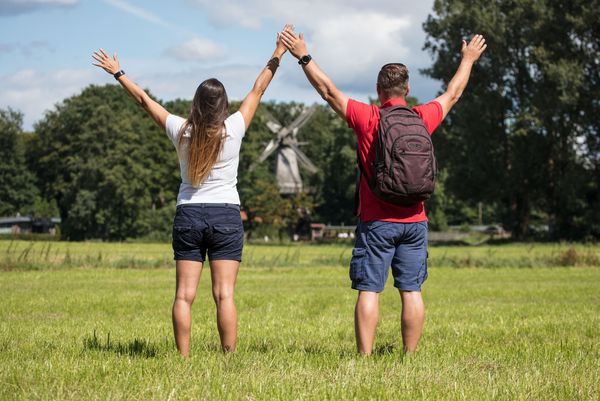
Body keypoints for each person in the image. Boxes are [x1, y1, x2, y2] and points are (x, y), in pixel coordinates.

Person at [280, 28, 487, 355]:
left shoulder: (368, 117)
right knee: (411, 291)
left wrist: (303, 55)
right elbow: (453, 93)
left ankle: (364, 358)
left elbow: (328, 91)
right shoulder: (423, 116)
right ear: (408, 89)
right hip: (415, 219)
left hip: (376, 221)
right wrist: (468, 59)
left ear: (378, 91)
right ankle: (410, 358)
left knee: (369, 290)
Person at [92, 25, 291, 357]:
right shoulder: (235, 127)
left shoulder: (180, 129)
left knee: (184, 295)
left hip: (188, 214)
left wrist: (118, 72)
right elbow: (258, 89)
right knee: (224, 295)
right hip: (226, 214)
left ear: (196, 104)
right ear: (224, 104)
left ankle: (183, 358)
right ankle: (228, 357)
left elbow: (144, 100)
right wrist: (278, 54)